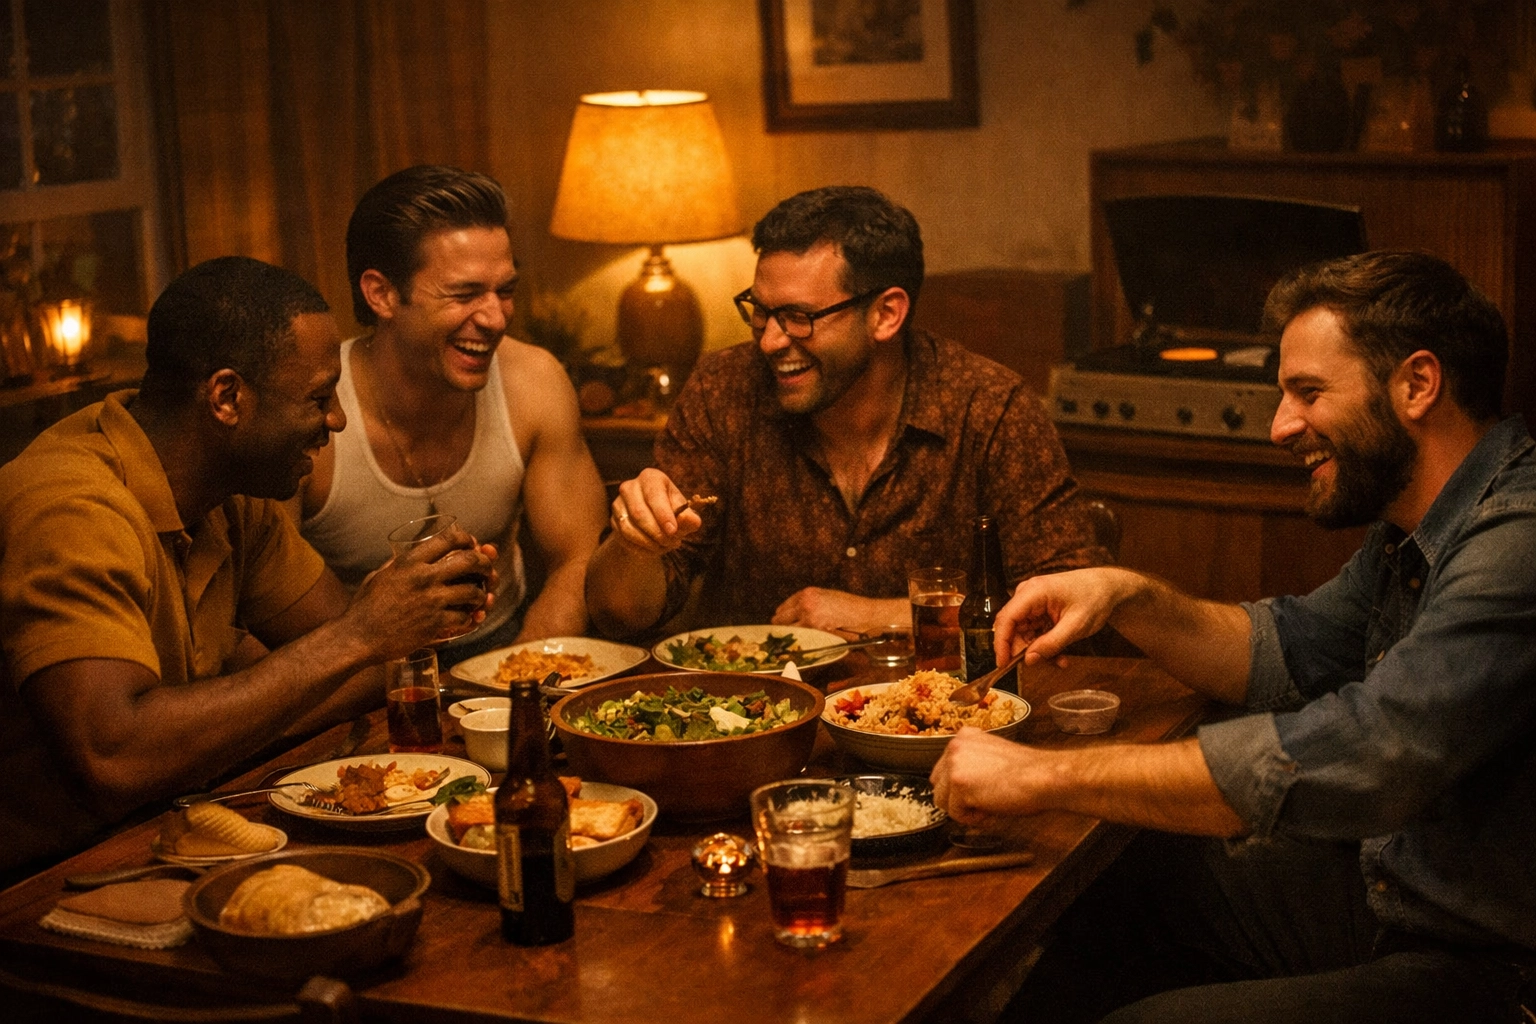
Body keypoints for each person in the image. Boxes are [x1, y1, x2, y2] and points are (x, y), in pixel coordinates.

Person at [930, 251, 1536, 1023]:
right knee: (1120, 885)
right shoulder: (1411, 534)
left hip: (1496, 969)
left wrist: (1043, 776)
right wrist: (1125, 595)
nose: (1281, 426)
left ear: (1418, 384)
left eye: (1307, 393)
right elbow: (1283, 647)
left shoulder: (1515, 540)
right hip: (1401, 896)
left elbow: (1374, 753)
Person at [0, 256, 494, 878]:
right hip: (38, 879)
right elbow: (113, 756)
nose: (336, 419)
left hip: (166, 831)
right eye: (319, 397)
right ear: (227, 397)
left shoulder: (230, 494)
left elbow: (366, 669)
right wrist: (358, 635)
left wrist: (413, 607)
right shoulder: (71, 506)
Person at [585, 186, 1104, 637]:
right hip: (755, 724)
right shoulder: (723, 391)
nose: (769, 341)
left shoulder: (989, 409)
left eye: (798, 317)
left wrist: (884, 617)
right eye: (761, 312)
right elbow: (618, 615)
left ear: (886, 314)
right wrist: (634, 546)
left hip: (946, 725)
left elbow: (1069, 608)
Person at [295, 165, 606, 666]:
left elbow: (577, 558)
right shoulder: (312, 416)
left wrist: (516, 684)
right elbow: (266, 620)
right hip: (350, 678)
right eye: (464, 295)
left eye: (504, 290)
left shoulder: (535, 381)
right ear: (382, 294)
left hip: (505, 650)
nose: (495, 318)